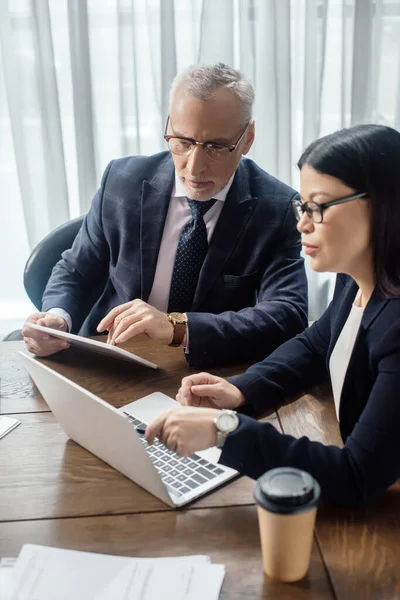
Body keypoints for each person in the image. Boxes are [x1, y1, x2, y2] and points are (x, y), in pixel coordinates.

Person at [145, 124, 400, 508]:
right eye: (303, 205)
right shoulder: (359, 277)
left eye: (319, 207)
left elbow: (355, 476)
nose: (303, 224)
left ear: (383, 205)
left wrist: (225, 430)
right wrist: (243, 391)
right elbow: (318, 344)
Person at [22, 63, 307, 368]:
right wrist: (56, 318)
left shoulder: (276, 208)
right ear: (169, 125)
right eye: (183, 142)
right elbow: (76, 270)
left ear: (247, 139)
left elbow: (287, 312)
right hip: (111, 357)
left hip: (205, 367)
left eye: (215, 146)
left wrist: (179, 327)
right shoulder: (122, 181)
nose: (194, 167)